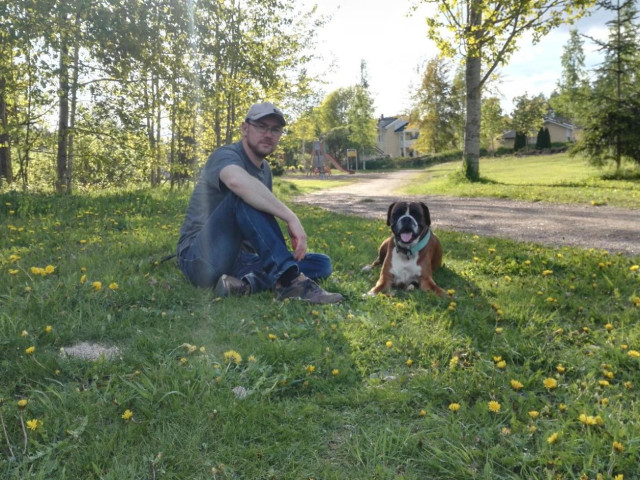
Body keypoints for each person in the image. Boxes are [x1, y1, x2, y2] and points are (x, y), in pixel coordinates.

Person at [176, 102, 343, 304]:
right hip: (199, 258)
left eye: (275, 129)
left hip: (240, 258)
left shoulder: (265, 171)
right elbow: (237, 182)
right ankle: (290, 282)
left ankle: (244, 284)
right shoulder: (226, 155)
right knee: (243, 193)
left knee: (321, 263)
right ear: (245, 129)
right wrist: (290, 217)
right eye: (261, 126)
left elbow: (255, 223)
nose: (268, 134)